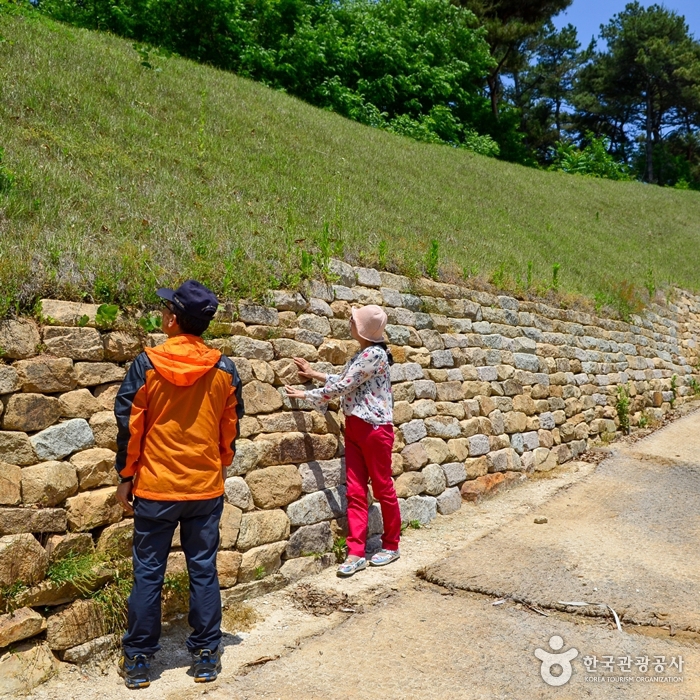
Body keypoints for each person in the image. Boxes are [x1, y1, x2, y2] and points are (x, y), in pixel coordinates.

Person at [114, 280, 243, 689]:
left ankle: (138, 660)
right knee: (203, 569)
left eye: (165, 310)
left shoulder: (147, 364)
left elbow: (129, 427)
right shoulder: (224, 368)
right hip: (205, 488)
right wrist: (219, 465)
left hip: (156, 488)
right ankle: (207, 653)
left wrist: (125, 477)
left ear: (172, 320)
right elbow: (230, 428)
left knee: (148, 572)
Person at [285, 304, 401, 577]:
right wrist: (314, 375)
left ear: (362, 328)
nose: (350, 322)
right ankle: (356, 552)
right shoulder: (365, 353)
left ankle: (391, 545)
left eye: (353, 320)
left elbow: (342, 386)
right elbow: (347, 379)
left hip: (374, 430)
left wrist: (305, 396)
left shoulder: (373, 354)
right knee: (356, 491)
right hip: (356, 428)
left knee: (382, 488)